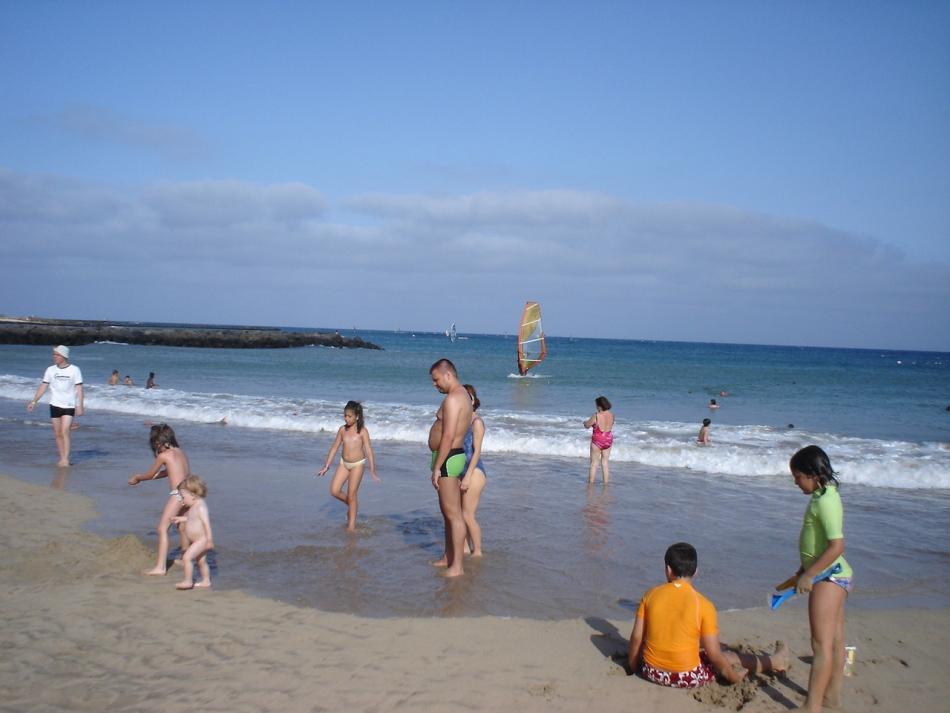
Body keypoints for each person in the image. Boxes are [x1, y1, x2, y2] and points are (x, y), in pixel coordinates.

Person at [628, 542, 788, 689]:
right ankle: (776, 661)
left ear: (668, 570)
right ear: (696, 572)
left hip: (651, 672)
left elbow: (636, 638)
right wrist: (734, 678)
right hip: (686, 677)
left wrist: (634, 667)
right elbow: (715, 656)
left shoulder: (650, 595)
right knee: (728, 656)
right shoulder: (704, 604)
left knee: (659, 641)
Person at [778, 445, 852, 713]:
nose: (795, 482)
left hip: (828, 578)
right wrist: (803, 568)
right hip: (833, 574)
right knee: (834, 641)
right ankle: (832, 697)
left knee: (820, 646)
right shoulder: (825, 494)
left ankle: (812, 707)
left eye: (797, 476)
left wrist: (810, 574)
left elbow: (837, 546)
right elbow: (819, 543)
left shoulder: (826, 502)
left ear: (812, 473)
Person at [427, 358, 473, 577]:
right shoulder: (462, 394)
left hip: (448, 457)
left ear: (448, 375)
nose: (434, 384)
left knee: (453, 514)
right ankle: (448, 557)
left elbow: (448, 435)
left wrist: (437, 467)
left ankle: (457, 567)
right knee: (448, 514)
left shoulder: (454, 399)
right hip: (450, 456)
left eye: (436, 380)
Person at [128, 423, 192, 575]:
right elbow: (171, 471)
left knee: (162, 529)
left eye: (156, 445)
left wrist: (139, 478)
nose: (157, 449)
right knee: (182, 528)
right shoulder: (180, 452)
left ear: (158, 442)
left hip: (177, 494)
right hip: (190, 492)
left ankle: (160, 567)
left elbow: (149, 474)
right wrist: (155, 476)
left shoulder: (163, 456)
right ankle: (185, 559)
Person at [317, 401, 380, 530]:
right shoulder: (342, 430)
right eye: (345, 416)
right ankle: (352, 505)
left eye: (349, 416)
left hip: (357, 464)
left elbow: (368, 450)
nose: (346, 418)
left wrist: (372, 470)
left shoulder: (362, 431)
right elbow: (334, 448)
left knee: (352, 494)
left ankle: (351, 528)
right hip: (344, 464)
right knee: (334, 490)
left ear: (357, 416)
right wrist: (326, 466)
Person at [26, 345, 84, 467]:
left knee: (65, 432)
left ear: (64, 356)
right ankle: (62, 457)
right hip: (54, 404)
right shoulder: (50, 370)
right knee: (57, 433)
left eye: (57, 355)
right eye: (54, 354)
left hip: (69, 405)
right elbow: (43, 386)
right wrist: (34, 401)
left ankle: (66, 460)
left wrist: (80, 405)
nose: (54, 357)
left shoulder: (75, 370)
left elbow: (79, 389)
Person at [171, 475, 214, 590]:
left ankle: (188, 581)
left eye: (183, 497)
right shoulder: (194, 506)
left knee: (186, 558)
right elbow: (192, 518)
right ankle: (206, 581)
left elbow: (206, 524)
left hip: (202, 540)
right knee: (201, 562)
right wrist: (181, 519)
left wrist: (209, 540)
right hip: (196, 540)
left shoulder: (201, 507)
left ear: (193, 495)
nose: (182, 500)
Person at [460, 384, 487, 557]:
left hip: (474, 471)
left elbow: (476, 451)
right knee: (459, 515)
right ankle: (463, 549)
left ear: (473, 400)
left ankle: (477, 552)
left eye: (467, 397)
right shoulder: (458, 421)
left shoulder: (477, 422)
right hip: (458, 470)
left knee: (467, 514)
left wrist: (468, 476)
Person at [584, 396, 614, 484]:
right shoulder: (612, 415)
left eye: (596, 405)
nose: (596, 407)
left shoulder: (596, 415)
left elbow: (587, 425)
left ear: (600, 406)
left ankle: (591, 484)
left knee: (594, 463)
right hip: (608, 439)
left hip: (598, 439)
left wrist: (584, 423)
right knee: (605, 463)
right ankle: (606, 484)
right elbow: (610, 425)